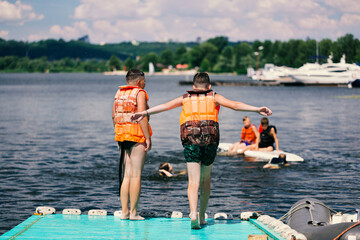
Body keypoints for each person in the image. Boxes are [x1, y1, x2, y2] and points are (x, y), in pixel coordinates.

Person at [131, 72, 272, 229]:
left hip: (191, 142)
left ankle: (192, 213)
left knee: (193, 182)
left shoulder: (185, 98)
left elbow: (165, 106)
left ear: (193, 87)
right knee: (205, 181)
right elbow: (235, 105)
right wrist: (257, 109)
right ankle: (202, 216)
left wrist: (143, 112)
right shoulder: (214, 96)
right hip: (210, 142)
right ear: (209, 86)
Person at [112, 69, 152, 221]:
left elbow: (114, 116)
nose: (145, 84)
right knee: (135, 175)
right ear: (138, 82)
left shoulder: (119, 93)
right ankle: (134, 213)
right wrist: (147, 138)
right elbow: (142, 115)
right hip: (136, 136)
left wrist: (118, 137)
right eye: (144, 81)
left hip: (122, 136)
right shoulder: (139, 93)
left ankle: (124, 212)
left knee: (127, 175)